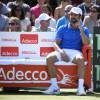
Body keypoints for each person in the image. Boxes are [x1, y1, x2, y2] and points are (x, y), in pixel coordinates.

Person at [43, 7, 90, 95]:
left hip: (76, 52)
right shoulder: (62, 28)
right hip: (63, 51)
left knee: (81, 60)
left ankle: (80, 88)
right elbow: (55, 44)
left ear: (80, 17)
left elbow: (86, 43)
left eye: (75, 15)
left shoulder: (84, 29)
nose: (73, 17)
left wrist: (81, 29)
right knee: (49, 58)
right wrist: (61, 52)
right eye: (71, 14)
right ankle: (54, 87)